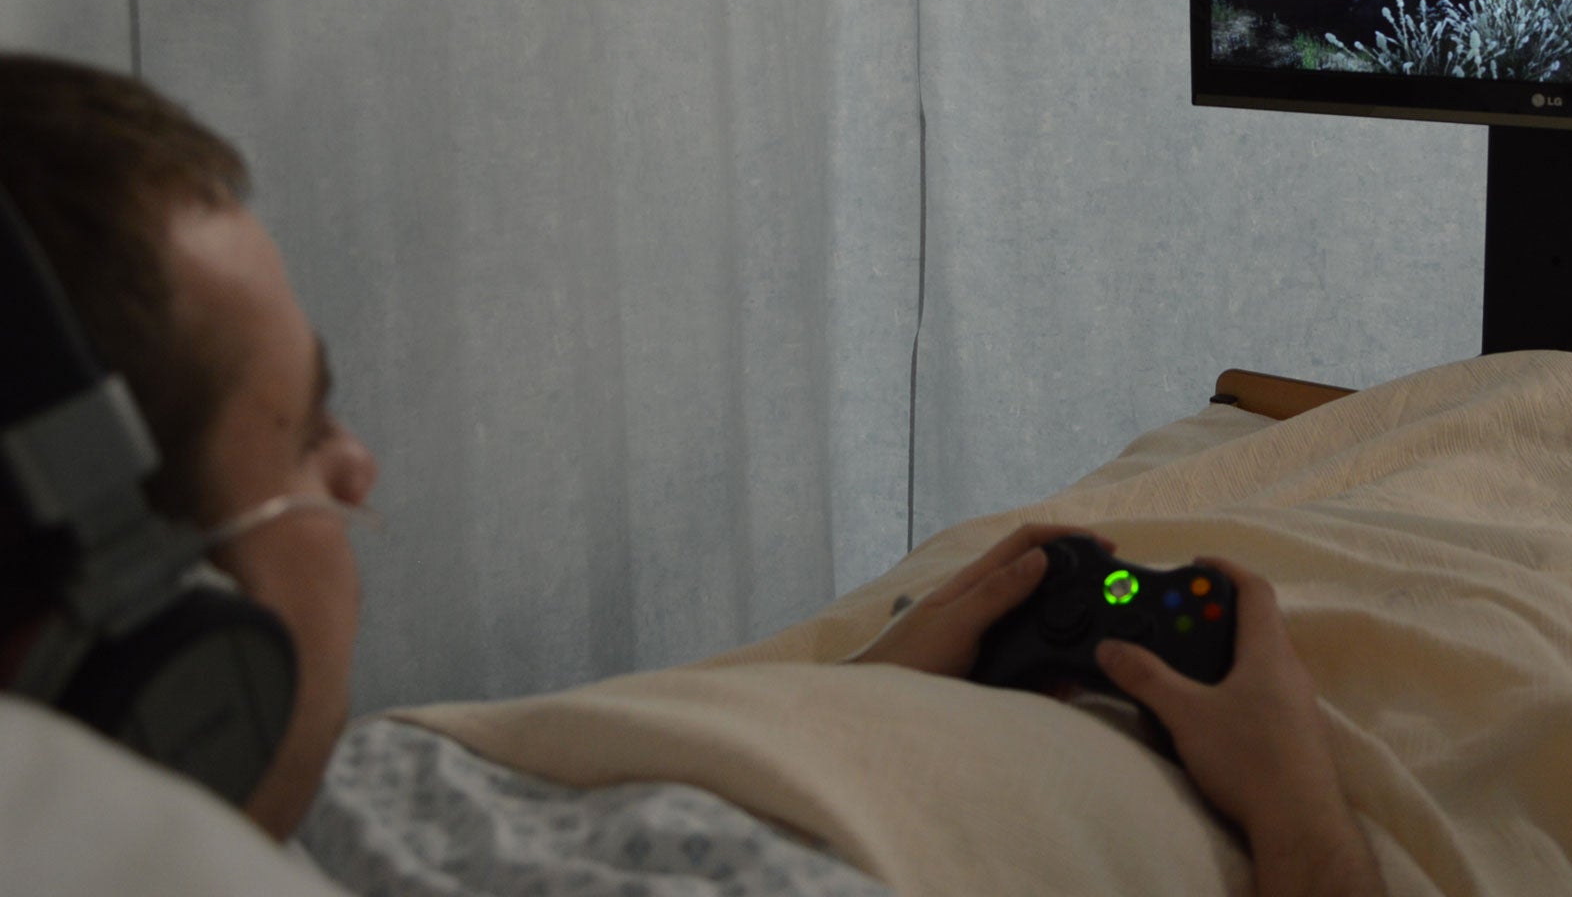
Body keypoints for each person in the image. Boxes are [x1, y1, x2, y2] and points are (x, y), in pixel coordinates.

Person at [0, 51, 1380, 897]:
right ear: (144, 650)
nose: (358, 467)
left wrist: (832, 715)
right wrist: (1307, 820)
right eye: (303, 434)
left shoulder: (324, 794)